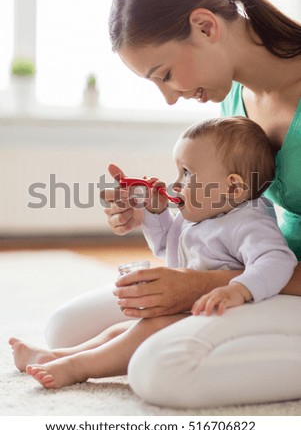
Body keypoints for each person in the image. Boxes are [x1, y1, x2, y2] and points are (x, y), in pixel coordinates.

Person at [19, 0, 301, 407]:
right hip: (257, 274)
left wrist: (198, 285)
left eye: (165, 74)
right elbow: (225, 213)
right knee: (68, 328)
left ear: (206, 26)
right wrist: (152, 211)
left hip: (273, 277)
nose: (170, 98)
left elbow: (260, 255)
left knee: (159, 370)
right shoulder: (233, 101)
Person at [9, 116, 297, 390]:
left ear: (233, 187)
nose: (175, 184)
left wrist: (239, 290)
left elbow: (277, 260)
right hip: (192, 307)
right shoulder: (200, 215)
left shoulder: (248, 222)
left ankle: (78, 368)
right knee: (121, 331)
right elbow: (166, 248)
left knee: (145, 331)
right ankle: (57, 355)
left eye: (187, 174)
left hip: (235, 311)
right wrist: (155, 212)